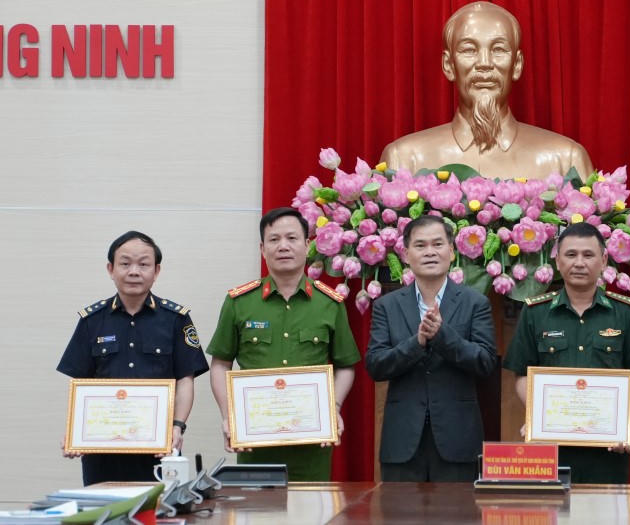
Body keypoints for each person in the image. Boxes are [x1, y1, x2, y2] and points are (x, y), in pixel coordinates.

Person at [207, 207, 360, 481]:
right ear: (262, 249)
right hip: (255, 440)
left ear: (307, 245)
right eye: (274, 239)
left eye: (292, 238)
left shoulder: (329, 303)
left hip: (312, 442)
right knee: (255, 505)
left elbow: (346, 365)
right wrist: (229, 415)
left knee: (313, 505)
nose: (283, 246)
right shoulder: (239, 302)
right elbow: (220, 363)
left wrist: (333, 407)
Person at [503, 222, 630, 484]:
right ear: (557, 261)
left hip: (609, 449)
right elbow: (522, 374)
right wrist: (539, 416)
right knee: (552, 507)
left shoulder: (626, 313)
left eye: (588, 255)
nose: (579, 263)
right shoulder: (536, 312)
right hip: (551, 447)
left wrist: (623, 421)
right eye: (571, 255)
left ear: (603, 261)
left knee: (607, 508)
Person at [57, 231, 209, 485]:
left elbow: (185, 379)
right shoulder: (91, 321)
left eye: (143, 264)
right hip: (102, 451)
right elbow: (81, 384)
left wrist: (177, 426)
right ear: (111, 269)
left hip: (159, 447)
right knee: (105, 507)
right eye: (125, 263)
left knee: (161, 508)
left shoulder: (176, 319)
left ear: (156, 271)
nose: (134, 271)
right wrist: (76, 432)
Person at [380, 1, 593, 180]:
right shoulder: (404, 160)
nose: (484, 63)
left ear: (517, 65)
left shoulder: (566, 161)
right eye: (469, 50)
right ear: (448, 65)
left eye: (498, 50)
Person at [365, 215, 496, 481]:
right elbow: (376, 366)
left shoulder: (475, 303)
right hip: (402, 441)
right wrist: (417, 343)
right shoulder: (386, 306)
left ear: (452, 251)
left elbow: (485, 362)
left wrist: (443, 336)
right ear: (405, 254)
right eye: (420, 245)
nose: (430, 252)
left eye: (437, 244)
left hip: (458, 440)